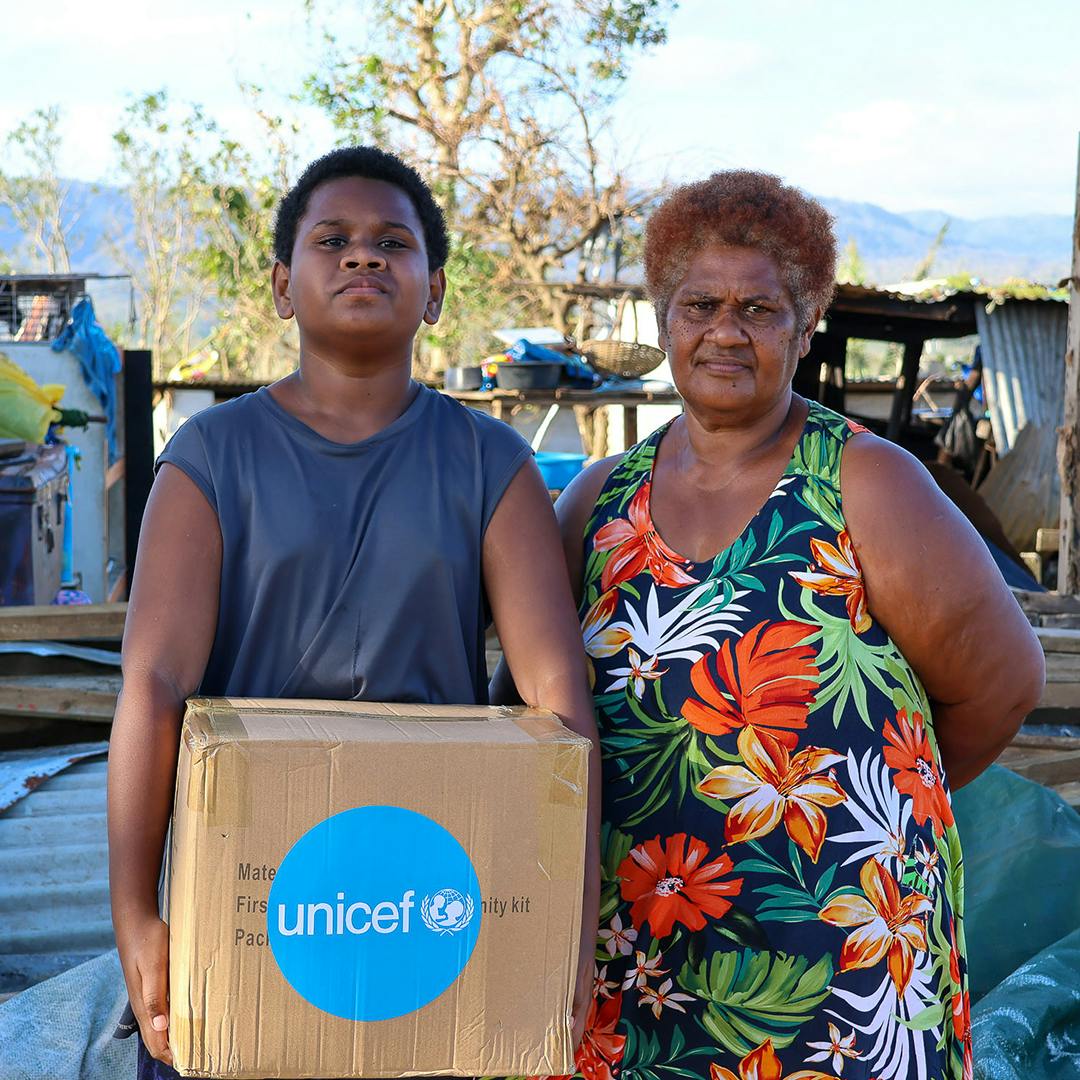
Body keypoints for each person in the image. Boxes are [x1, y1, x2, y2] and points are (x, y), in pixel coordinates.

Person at [107, 147, 600, 1078]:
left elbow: (559, 701)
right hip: (252, 886)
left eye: (393, 244)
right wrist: (135, 912)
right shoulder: (210, 457)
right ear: (285, 286)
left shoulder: (493, 465)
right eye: (332, 240)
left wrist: (569, 927)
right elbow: (153, 684)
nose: (363, 258)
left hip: (435, 883)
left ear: (437, 288)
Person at [546, 171, 1044, 1080]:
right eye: (700, 303)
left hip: (837, 961)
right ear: (664, 321)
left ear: (806, 326)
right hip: (636, 954)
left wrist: (858, 806)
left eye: (759, 308)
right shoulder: (596, 502)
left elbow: (1002, 685)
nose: (726, 330)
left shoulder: (867, 486)